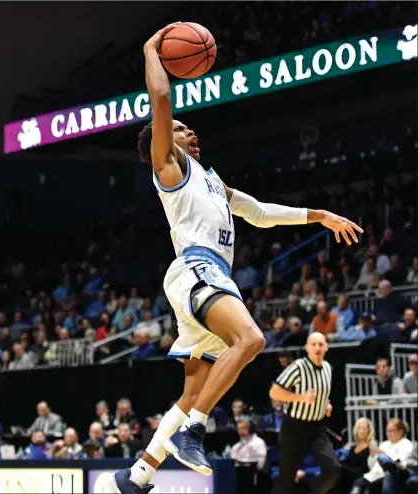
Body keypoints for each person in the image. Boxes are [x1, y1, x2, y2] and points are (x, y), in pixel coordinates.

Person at [96, 23, 363, 494]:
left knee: (193, 389)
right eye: (179, 128)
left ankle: (137, 473)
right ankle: (195, 431)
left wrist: (319, 215)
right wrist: (149, 52)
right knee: (251, 339)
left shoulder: (213, 181)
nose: (187, 129)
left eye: (186, 126)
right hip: (196, 270)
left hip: (208, 276)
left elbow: (259, 214)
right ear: (164, 141)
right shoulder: (169, 167)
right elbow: (161, 101)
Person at [269, 332, 341, 494]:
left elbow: (323, 394)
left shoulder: (328, 368)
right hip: (294, 427)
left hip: (316, 428)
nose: (317, 348)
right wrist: (301, 397)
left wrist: (325, 405)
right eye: (313, 344)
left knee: (333, 469)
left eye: (321, 344)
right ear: (307, 348)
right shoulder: (298, 367)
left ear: (326, 348)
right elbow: (274, 392)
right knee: (286, 479)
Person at [351, 418, 413, 494]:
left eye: (391, 431)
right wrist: (372, 455)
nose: (388, 434)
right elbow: (372, 466)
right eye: (387, 431)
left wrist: (384, 455)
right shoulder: (384, 444)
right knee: (359, 483)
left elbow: (401, 463)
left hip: (394, 475)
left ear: (400, 431)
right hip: (376, 475)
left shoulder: (406, 444)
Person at [334, 417, 376, 493]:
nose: (362, 431)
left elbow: (372, 465)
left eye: (364, 428)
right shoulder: (352, 447)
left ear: (369, 431)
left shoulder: (371, 446)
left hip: (361, 476)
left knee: (338, 467)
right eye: (359, 428)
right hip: (347, 475)